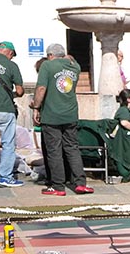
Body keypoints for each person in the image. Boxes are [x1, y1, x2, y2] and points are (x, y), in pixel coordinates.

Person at [31, 43, 92, 196]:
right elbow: (71, 58)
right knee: (72, 149)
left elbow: (41, 89)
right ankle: (80, 183)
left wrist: (36, 107)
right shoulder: (75, 67)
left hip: (52, 115)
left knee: (54, 151)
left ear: (50, 55)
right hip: (70, 114)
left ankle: (58, 186)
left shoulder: (47, 66)